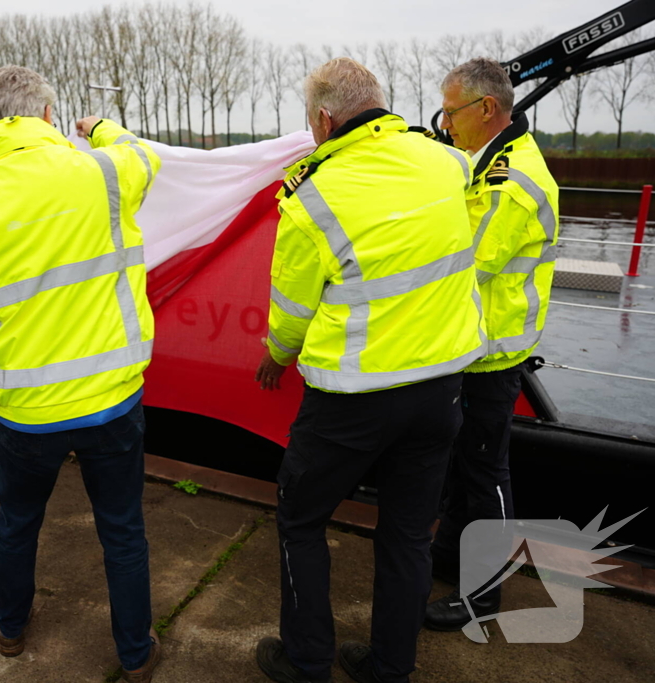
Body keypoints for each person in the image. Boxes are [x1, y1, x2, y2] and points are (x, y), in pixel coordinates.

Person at [0, 66, 162, 682]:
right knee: (123, 533)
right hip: (112, 401)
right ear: (49, 115)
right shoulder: (104, 172)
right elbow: (141, 155)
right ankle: (136, 654)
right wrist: (101, 125)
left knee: (18, 523)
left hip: (23, 412)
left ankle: (10, 630)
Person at [252, 58, 485, 683]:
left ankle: (305, 663)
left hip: (352, 399)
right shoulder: (450, 162)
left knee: (300, 518)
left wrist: (276, 358)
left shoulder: (312, 197)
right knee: (408, 535)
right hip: (440, 388)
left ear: (325, 119)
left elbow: (293, 311)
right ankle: (389, 667)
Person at [424, 58, 559, 631]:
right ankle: (451, 557)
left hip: (493, 351)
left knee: (485, 472)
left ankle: (485, 594)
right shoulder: (491, 164)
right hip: (475, 345)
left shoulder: (511, 179)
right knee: (466, 463)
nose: (444, 123)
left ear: (485, 109)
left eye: (450, 112)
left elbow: (470, 258)